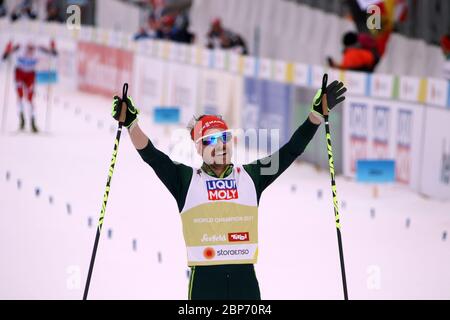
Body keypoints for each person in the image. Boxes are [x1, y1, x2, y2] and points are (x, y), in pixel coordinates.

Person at [110, 79, 347, 299]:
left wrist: (315, 116)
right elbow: (152, 156)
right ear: (198, 148)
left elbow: (290, 150)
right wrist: (131, 125)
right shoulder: (186, 179)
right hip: (205, 280)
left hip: (244, 279)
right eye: (211, 140)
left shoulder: (251, 176)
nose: (220, 145)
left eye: (224, 138)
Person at [2, 39, 58, 133]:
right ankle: (22, 119)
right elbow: (4, 57)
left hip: (30, 75)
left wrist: (53, 48)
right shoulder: (19, 48)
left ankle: (32, 122)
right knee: (20, 96)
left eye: (32, 49)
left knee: (30, 98)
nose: (30, 51)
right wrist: (8, 50)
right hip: (19, 73)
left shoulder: (39, 50)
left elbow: (54, 54)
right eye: (28, 48)